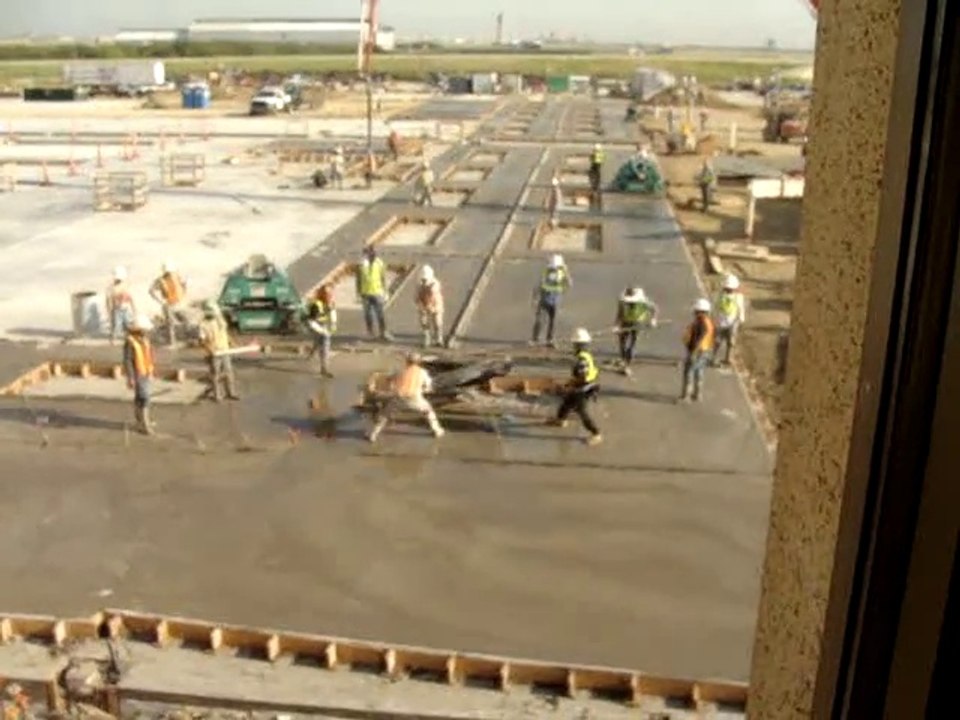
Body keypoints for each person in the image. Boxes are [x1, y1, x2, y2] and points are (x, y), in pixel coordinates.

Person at [367, 352, 445, 443]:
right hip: (415, 399)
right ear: (418, 362)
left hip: (399, 398)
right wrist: (425, 389)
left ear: (407, 361)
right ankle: (437, 431)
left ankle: (373, 434)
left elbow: (391, 381)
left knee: (384, 415)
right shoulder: (422, 372)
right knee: (428, 411)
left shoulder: (401, 371)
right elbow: (428, 386)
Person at [548, 327, 602, 446]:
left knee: (581, 411)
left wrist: (570, 385)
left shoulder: (581, 358)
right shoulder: (586, 354)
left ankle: (596, 433)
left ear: (577, 345)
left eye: (575, 344)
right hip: (587, 384)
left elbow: (581, 377)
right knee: (567, 402)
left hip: (584, 387)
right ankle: (560, 420)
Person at [198, 300, 240, 402]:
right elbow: (201, 341)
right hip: (215, 352)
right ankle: (217, 395)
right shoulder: (203, 324)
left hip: (225, 350)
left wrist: (232, 342)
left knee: (228, 372)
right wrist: (209, 349)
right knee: (215, 374)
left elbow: (224, 332)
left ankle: (231, 393)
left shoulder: (219, 319)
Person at [123, 313, 156, 435]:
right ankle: (145, 424)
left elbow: (149, 355)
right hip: (138, 374)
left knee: (140, 397)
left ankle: (140, 420)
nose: (146, 332)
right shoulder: (130, 342)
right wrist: (130, 377)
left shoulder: (144, 340)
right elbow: (127, 361)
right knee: (145, 398)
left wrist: (151, 370)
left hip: (146, 372)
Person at [615, 287, 659, 376]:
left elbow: (655, 309)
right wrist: (616, 325)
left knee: (632, 344)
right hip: (625, 322)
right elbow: (619, 313)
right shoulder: (622, 302)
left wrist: (653, 320)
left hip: (637, 323)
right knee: (622, 343)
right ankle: (623, 360)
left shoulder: (643, 302)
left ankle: (627, 364)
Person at [531, 254, 571, 347]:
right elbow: (538, 285)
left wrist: (566, 272)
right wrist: (535, 298)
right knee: (540, 321)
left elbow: (569, 284)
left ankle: (550, 340)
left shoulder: (562, 273)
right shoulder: (546, 273)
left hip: (555, 302)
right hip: (544, 301)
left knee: (553, 323)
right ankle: (535, 339)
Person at [680, 298, 716, 402]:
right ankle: (697, 394)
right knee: (699, 371)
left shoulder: (701, 323)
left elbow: (699, 339)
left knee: (689, 372)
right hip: (705, 351)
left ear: (699, 311)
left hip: (698, 351)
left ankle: (686, 395)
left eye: (696, 310)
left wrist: (693, 353)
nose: (694, 312)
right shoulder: (708, 322)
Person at [355, 246, 392, 341]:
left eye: (373, 253)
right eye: (369, 253)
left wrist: (385, 291)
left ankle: (383, 332)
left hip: (377, 292)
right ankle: (370, 333)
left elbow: (382, 277)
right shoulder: (361, 264)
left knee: (380, 314)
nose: (372, 254)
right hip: (365, 293)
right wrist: (358, 293)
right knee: (368, 314)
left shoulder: (379, 263)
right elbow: (358, 279)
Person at [149, 260, 188, 347]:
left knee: (182, 321)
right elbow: (151, 290)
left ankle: (180, 340)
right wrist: (160, 301)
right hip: (171, 304)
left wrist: (185, 288)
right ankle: (173, 342)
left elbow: (183, 286)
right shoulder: (162, 280)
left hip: (178, 303)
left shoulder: (176, 277)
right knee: (171, 324)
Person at [713, 274, 747, 366]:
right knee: (717, 341)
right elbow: (716, 307)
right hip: (721, 322)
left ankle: (728, 358)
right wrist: (714, 319)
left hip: (732, 323)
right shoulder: (720, 296)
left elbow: (740, 308)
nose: (728, 290)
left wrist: (741, 319)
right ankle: (714, 358)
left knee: (731, 342)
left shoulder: (738, 297)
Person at [306, 284, 337, 378]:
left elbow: (332, 313)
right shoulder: (316, 305)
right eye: (327, 294)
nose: (330, 296)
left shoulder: (330, 302)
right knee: (324, 340)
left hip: (322, 324)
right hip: (312, 324)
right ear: (322, 294)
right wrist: (323, 331)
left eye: (331, 293)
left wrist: (333, 324)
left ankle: (311, 353)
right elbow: (311, 321)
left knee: (318, 341)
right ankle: (324, 369)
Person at [105, 265, 135, 344]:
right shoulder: (111, 288)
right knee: (116, 325)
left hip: (125, 308)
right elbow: (108, 300)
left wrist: (133, 309)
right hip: (117, 309)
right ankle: (113, 339)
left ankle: (127, 338)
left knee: (128, 324)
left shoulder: (125, 286)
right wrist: (109, 311)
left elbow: (130, 298)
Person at [415, 265, 444, 348]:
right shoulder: (419, 285)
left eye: (425, 279)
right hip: (423, 305)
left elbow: (433, 296)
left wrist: (431, 307)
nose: (424, 281)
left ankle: (439, 338)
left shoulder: (435, 284)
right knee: (424, 322)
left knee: (437, 322)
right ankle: (427, 338)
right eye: (423, 279)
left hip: (435, 305)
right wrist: (420, 305)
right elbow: (416, 297)